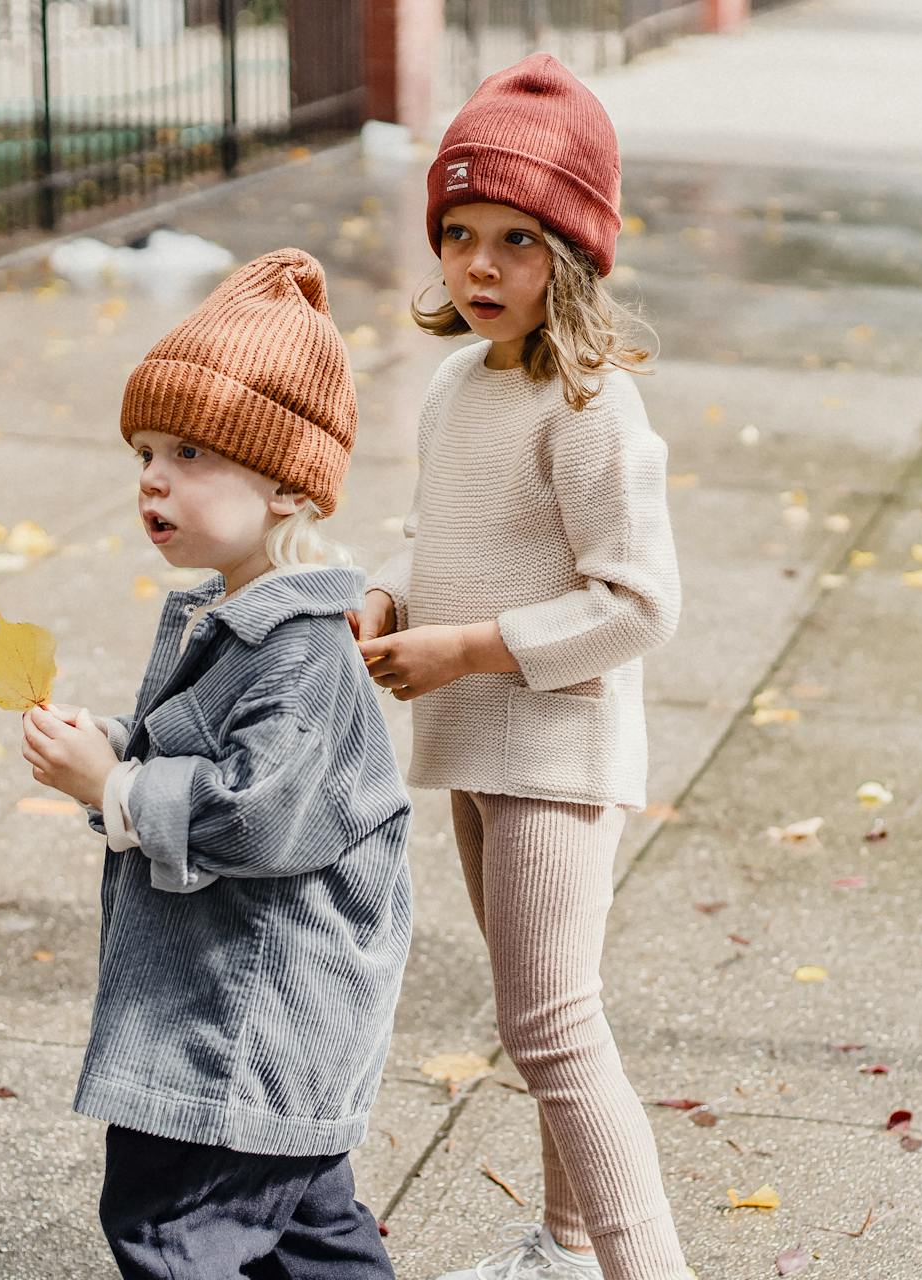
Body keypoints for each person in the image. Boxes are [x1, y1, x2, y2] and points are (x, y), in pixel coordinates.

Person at [354, 54, 689, 1280]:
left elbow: (640, 602)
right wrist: (393, 591)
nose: (480, 266)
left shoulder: (590, 405)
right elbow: (446, 535)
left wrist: (472, 647)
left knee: (553, 1029)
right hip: (477, 741)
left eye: (516, 239)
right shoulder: (456, 384)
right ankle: (559, 1248)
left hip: (554, 746)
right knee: (546, 1018)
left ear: (577, 253)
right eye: (457, 233)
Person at [20, 248, 409, 1280]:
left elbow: (254, 815)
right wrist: (109, 747)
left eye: (190, 451)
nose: (152, 475)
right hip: (262, 1018)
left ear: (287, 483)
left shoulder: (303, 647)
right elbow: (204, 755)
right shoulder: (240, 619)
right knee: (305, 1229)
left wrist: (109, 787)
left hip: (246, 1018)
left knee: (172, 1227)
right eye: (146, 449)